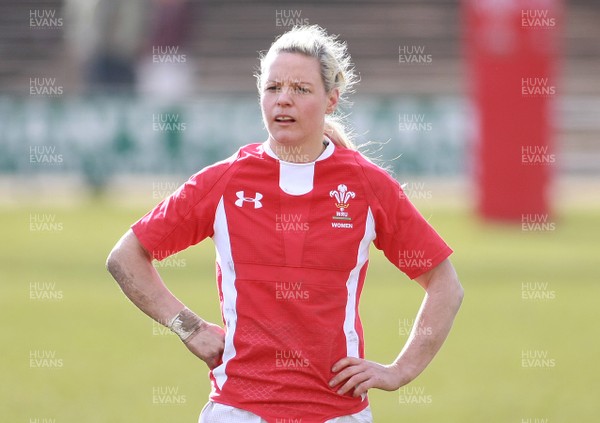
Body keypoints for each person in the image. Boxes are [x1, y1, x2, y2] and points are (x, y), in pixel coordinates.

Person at [106, 25, 464, 423]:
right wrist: (188, 327)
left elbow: (445, 284)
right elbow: (127, 256)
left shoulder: (366, 186)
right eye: (273, 88)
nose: (284, 101)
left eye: (301, 89)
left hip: (336, 412)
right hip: (237, 410)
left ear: (331, 100)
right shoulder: (225, 181)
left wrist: (400, 371)